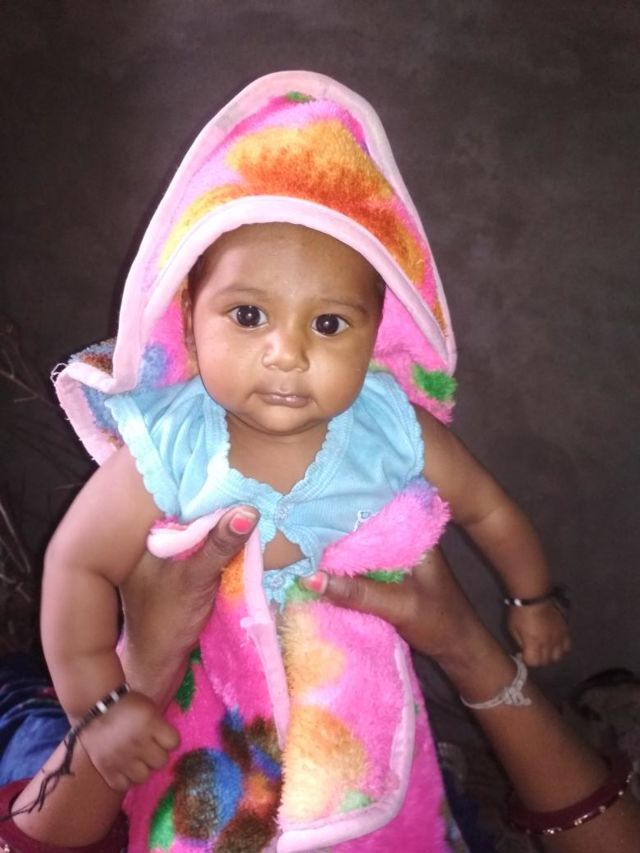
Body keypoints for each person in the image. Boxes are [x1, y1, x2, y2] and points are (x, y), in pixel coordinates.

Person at [39, 71, 569, 850]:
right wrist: (100, 704)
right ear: (189, 318)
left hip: (355, 718)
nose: (286, 353)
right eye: (248, 314)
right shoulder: (172, 442)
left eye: (328, 324)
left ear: (377, 332)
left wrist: (533, 597)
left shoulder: (389, 426)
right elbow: (76, 564)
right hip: (216, 734)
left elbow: (488, 507)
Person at [1, 511, 638, 853]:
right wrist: (473, 647)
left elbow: (75, 558)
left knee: (27, 720)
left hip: (157, 754)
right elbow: (482, 502)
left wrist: (134, 679)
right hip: (352, 775)